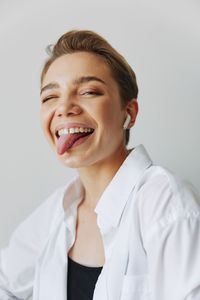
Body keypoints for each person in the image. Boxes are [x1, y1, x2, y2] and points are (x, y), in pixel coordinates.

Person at [0, 29, 200, 300]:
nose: (64, 107)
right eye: (50, 97)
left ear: (128, 113)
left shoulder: (165, 202)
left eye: (89, 92)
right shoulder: (57, 211)